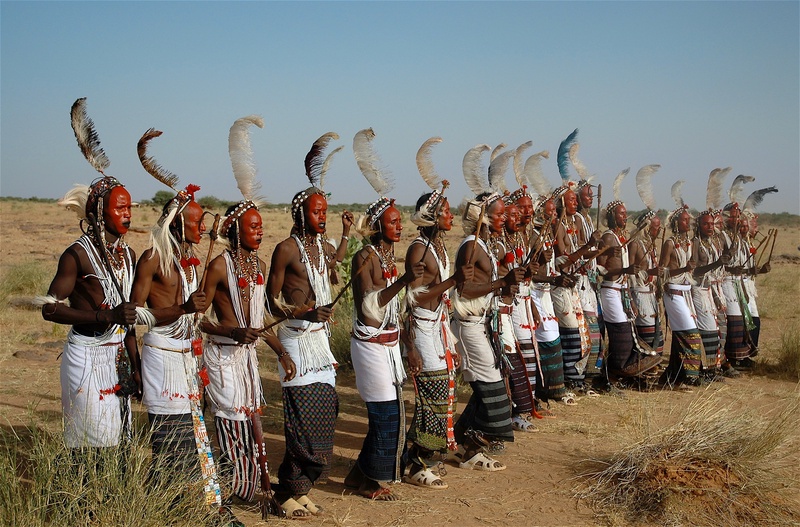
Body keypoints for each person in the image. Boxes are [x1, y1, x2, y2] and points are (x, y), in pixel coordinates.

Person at [130, 180, 224, 507]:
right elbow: (134, 314)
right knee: (169, 439)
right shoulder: (152, 258)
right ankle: (163, 507)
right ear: (177, 223)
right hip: (161, 357)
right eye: (196, 222)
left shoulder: (189, 259)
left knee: (193, 439)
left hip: (187, 357)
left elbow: (191, 311)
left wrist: (194, 314)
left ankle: (189, 508)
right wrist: (182, 309)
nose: (202, 227)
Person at [200, 200, 296, 506]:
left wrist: (281, 352)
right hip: (224, 357)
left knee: (250, 422)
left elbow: (258, 321)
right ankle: (234, 489)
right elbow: (198, 318)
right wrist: (232, 332)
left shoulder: (260, 267)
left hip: (247, 361)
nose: (260, 232)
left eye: (261, 226)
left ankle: (244, 487)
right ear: (235, 230)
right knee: (232, 423)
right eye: (253, 227)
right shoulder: (217, 266)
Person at [266, 182, 353, 516]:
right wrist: (302, 312)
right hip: (297, 342)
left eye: (324, 211)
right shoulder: (286, 249)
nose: (322, 216)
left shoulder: (322, 245)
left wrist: (345, 232)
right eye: (316, 211)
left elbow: (337, 258)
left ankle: (299, 487)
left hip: (320, 341)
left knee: (326, 414)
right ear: (300, 213)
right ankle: (285, 491)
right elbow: (269, 302)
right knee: (302, 421)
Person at [42, 176, 140, 449]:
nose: (127, 214)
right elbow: (49, 309)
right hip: (86, 357)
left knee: (120, 438)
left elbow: (127, 318)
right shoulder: (77, 254)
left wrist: (136, 364)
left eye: (130, 208)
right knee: (91, 440)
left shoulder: (128, 255)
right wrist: (105, 317)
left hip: (117, 356)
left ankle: (110, 492)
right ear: (99, 212)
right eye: (120, 208)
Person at [344, 197, 424, 500]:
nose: (399, 226)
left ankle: (357, 475)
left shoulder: (391, 258)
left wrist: (410, 347)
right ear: (377, 226)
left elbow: (399, 312)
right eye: (392, 221)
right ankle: (370, 482)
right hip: (370, 346)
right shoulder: (364, 257)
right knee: (385, 415)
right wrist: (404, 279)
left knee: (391, 412)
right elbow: (369, 308)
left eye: (400, 220)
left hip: (390, 347)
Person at [403, 189, 471, 488]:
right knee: (432, 397)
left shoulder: (439, 247)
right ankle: (418, 465)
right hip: (422, 328)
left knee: (444, 394)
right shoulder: (419, 249)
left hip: (440, 327)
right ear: (431, 215)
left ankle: (422, 459)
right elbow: (414, 299)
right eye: (445, 211)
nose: (451, 215)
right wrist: (453, 281)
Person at [450, 193, 523, 469]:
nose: (503, 218)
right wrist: (500, 283)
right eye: (499, 214)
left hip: (481, 325)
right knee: (493, 394)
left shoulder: (483, 245)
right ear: (482, 216)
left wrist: (506, 284)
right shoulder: (471, 246)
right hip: (469, 328)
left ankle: (460, 445)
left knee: (487, 391)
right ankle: (469, 451)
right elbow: (464, 289)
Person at [597, 200, 662, 384]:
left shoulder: (620, 238)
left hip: (622, 292)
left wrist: (629, 297)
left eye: (625, 214)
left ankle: (616, 376)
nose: (625, 217)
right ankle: (611, 375)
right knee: (622, 335)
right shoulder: (608, 237)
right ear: (612, 217)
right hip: (610, 291)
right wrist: (624, 272)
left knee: (627, 334)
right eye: (621, 214)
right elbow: (599, 268)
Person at [553, 185, 602, 396]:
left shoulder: (576, 222)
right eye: (571, 200)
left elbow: (580, 250)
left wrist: (594, 250)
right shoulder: (558, 225)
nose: (576, 203)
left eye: (575, 200)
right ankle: (571, 378)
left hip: (579, 283)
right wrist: (588, 248)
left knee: (586, 333)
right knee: (573, 332)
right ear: (562, 203)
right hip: (562, 285)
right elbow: (564, 260)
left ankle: (583, 378)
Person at [500, 195, 541, 431]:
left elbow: (523, 280)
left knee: (525, 358)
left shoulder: (520, 238)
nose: (520, 216)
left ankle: (524, 408)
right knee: (514, 360)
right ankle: (515, 413)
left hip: (520, 303)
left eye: (522, 211)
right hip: (505, 309)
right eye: (513, 213)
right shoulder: (498, 244)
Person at [659, 204, 704, 387]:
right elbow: (662, 272)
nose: (689, 222)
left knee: (681, 335)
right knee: (691, 333)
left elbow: (692, 270)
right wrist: (683, 269)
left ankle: (674, 376)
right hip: (673, 293)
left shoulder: (691, 243)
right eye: (685, 220)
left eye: (689, 219)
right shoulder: (669, 243)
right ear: (676, 222)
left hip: (687, 293)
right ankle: (689, 376)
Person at [689, 210, 730, 379]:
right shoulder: (696, 243)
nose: (710, 227)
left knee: (716, 328)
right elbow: (695, 270)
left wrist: (714, 296)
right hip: (697, 290)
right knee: (707, 329)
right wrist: (716, 263)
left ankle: (713, 368)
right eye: (706, 224)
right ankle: (704, 369)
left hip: (709, 290)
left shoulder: (710, 243)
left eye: (712, 224)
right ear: (698, 225)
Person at [628, 212, 664, 353]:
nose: (659, 231)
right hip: (639, 295)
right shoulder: (635, 245)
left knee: (657, 337)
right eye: (656, 227)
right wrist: (650, 273)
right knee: (646, 335)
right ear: (647, 228)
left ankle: (653, 366)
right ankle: (644, 368)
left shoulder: (651, 246)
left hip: (651, 295)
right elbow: (629, 271)